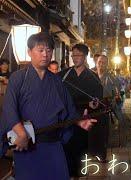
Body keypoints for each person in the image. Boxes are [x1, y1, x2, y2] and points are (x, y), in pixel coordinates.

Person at [0, 32, 96, 180]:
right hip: (27, 143)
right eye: (40, 50)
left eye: (49, 50)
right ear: (30, 52)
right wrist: (21, 133)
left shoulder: (57, 81)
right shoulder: (18, 78)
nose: (45, 54)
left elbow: (68, 109)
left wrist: (79, 121)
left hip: (53, 145)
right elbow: (9, 108)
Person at [59, 44, 104, 177]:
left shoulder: (93, 77)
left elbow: (98, 99)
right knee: (65, 148)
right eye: (73, 55)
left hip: (83, 118)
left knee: (80, 150)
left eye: (77, 55)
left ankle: (77, 175)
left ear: (84, 57)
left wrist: (94, 105)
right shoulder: (64, 75)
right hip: (66, 118)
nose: (74, 58)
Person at [96, 55, 124, 129]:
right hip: (93, 109)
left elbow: (117, 94)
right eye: (99, 62)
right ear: (96, 63)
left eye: (103, 63)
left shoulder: (112, 79)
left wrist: (113, 100)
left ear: (107, 65)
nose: (101, 64)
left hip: (105, 109)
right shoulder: (91, 76)